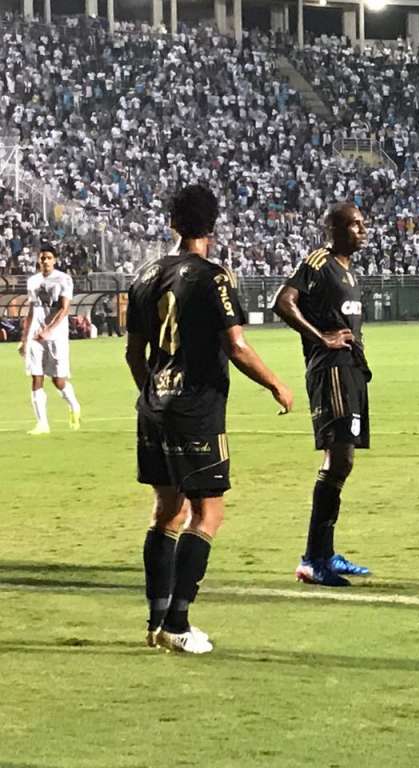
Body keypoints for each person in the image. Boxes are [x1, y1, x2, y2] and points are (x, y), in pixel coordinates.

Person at [126, 184, 293, 654]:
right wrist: (276, 384)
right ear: (213, 226)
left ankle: (156, 622)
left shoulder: (145, 274)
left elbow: (133, 353)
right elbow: (235, 345)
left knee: (167, 510)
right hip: (196, 409)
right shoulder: (212, 277)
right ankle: (178, 623)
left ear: (172, 222)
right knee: (208, 513)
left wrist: (153, 393)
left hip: (153, 406)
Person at [273, 202, 374, 587]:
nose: (362, 230)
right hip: (330, 369)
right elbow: (283, 301)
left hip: (351, 370)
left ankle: (325, 553)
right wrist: (321, 338)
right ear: (333, 229)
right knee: (338, 458)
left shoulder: (348, 270)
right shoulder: (319, 261)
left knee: (344, 461)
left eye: (363, 224)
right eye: (354, 224)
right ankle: (313, 559)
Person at [18, 244, 82, 435]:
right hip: (35, 336)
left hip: (56, 337)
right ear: (38, 260)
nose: (45, 261)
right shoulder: (33, 281)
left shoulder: (63, 279)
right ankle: (42, 424)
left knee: (57, 380)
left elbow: (64, 308)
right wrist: (24, 338)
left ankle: (74, 405)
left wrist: (48, 330)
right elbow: (32, 310)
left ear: (55, 260)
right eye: (42, 258)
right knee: (36, 376)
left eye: (48, 258)